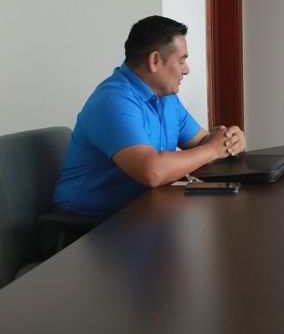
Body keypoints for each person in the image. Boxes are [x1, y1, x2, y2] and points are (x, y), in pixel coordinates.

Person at [52, 16, 246, 218]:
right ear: (154, 61)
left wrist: (229, 141)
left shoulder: (167, 99)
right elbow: (152, 172)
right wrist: (213, 149)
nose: (186, 70)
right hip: (85, 225)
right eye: (181, 60)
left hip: (140, 214)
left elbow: (202, 143)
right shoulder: (113, 102)